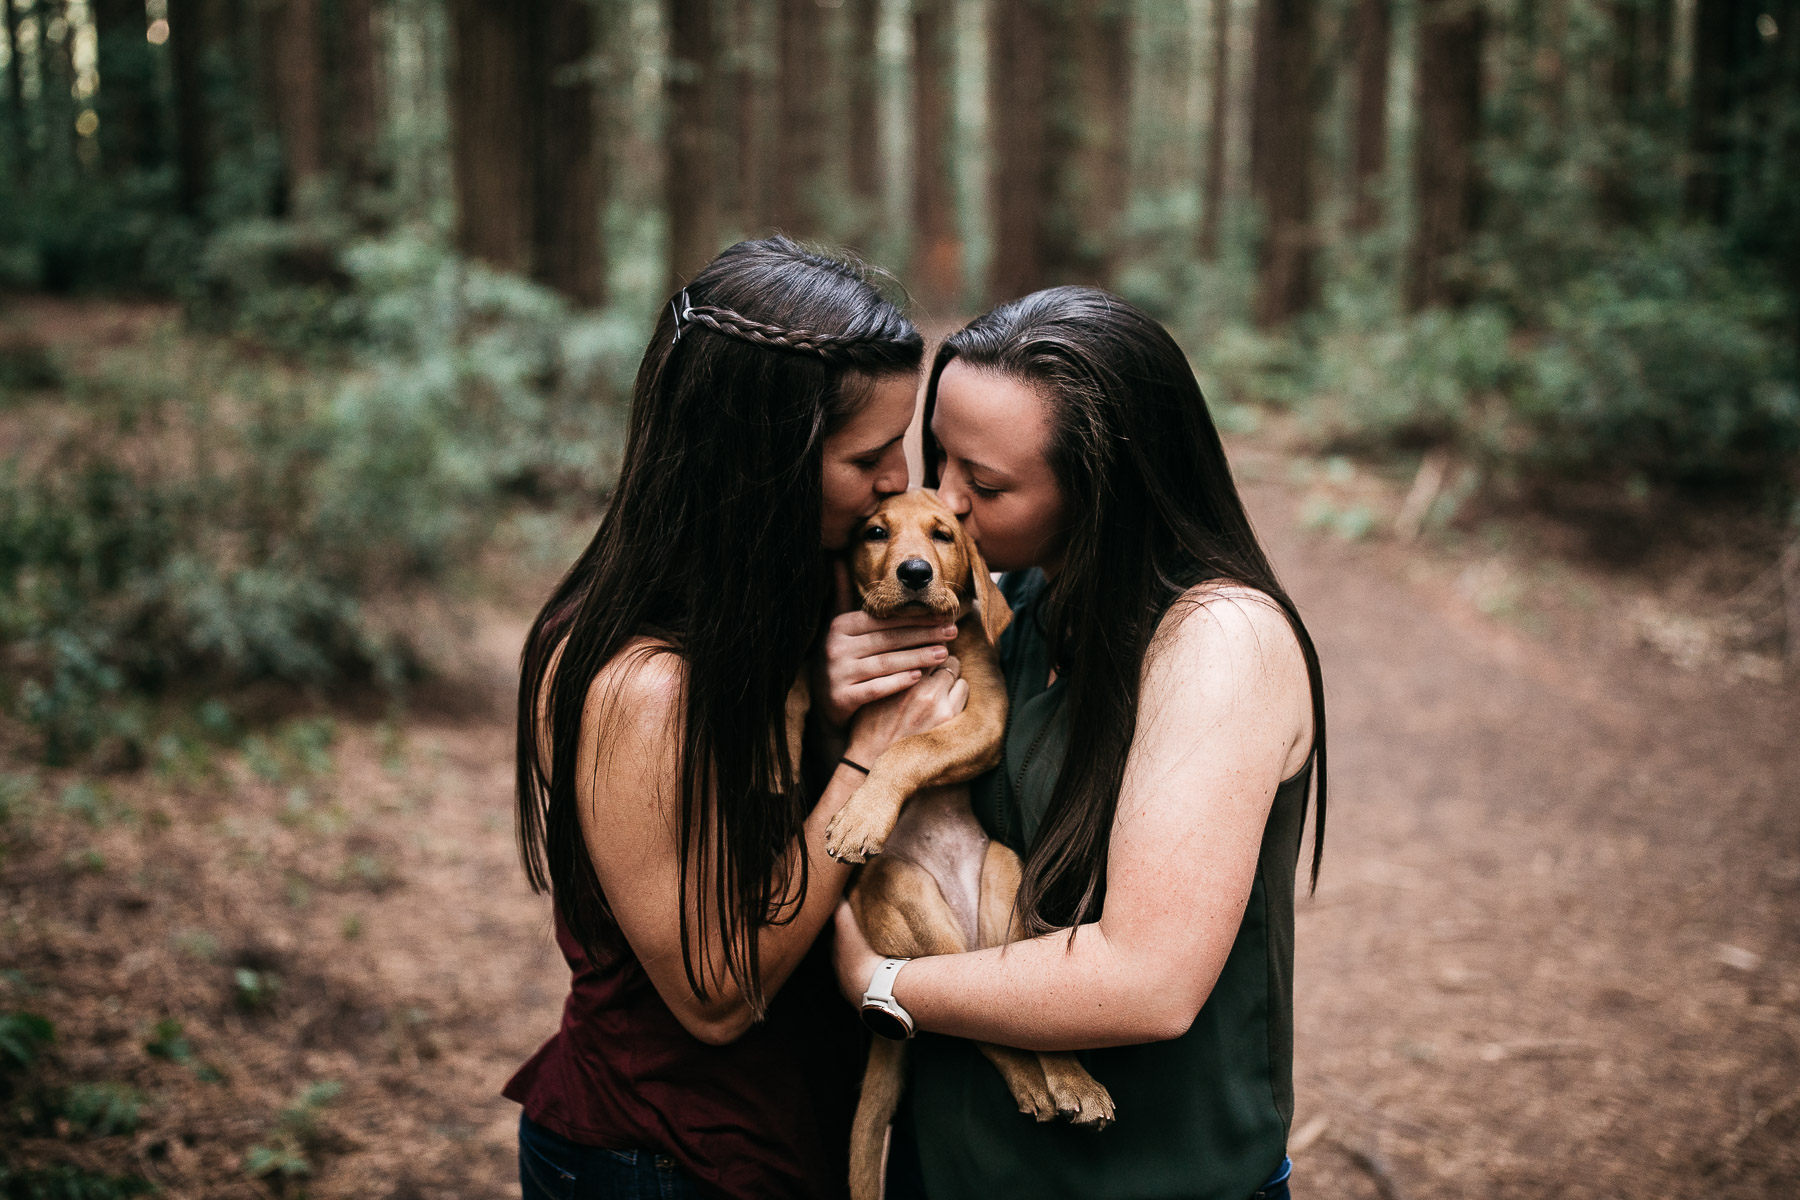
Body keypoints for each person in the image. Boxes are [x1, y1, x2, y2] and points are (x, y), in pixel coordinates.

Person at [828, 287, 1328, 1200]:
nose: (941, 499)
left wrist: (883, 981)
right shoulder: (1010, 610)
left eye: (981, 485)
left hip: (1142, 1183)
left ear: (1103, 488)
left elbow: (1148, 981)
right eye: (937, 455)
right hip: (952, 1174)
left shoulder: (1220, 642)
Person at [505, 237, 970, 1200]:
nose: (901, 479)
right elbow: (716, 993)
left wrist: (832, 704)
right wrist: (868, 762)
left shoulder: (794, 584)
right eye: (867, 457)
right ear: (762, 461)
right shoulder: (642, 684)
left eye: (902, 444)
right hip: (666, 1159)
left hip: (787, 1138)